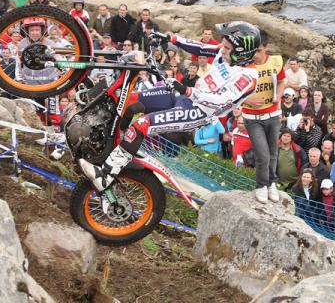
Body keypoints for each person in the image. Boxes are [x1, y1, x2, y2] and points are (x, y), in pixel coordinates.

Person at [79, 21, 261, 210]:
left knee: (141, 125)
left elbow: (222, 100)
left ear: (241, 52)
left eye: (227, 47)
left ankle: (106, 174)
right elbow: (199, 46)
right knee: (129, 100)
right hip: (183, 97)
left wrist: (188, 91)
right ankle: (105, 141)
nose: (222, 49)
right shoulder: (224, 53)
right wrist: (170, 38)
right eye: (223, 45)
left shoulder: (248, 77)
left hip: (197, 112)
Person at [241, 29, 286, 203]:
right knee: (262, 154)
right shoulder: (243, 65)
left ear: (266, 48)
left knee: (274, 153)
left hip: (273, 114)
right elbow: (234, 91)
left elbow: (282, 81)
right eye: (252, 51)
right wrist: (248, 100)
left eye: (258, 51)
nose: (255, 55)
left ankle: (271, 183)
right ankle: (261, 185)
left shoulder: (276, 62)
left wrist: (279, 96)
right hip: (252, 117)